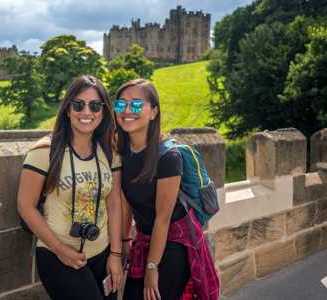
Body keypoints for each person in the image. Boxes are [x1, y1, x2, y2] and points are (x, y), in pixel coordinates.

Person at [17, 75, 123, 300]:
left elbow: (113, 204)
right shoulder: (45, 151)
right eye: (79, 105)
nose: (87, 112)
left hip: (102, 254)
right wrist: (60, 250)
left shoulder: (109, 152)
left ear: (103, 112)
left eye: (95, 106)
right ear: (67, 110)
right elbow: (25, 206)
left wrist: (115, 254)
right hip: (58, 255)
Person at [114, 79, 220, 300]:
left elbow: (163, 219)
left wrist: (152, 268)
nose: (126, 111)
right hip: (143, 240)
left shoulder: (168, 157)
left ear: (153, 112)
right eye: (120, 104)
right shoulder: (122, 151)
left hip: (173, 243)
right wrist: (124, 243)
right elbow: (126, 205)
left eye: (135, 105)